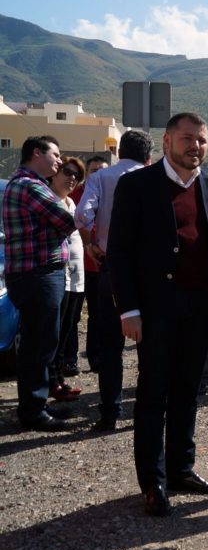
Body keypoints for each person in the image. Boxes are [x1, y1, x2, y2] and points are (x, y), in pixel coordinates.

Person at [107, 113, 208, 517]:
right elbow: (120, 254)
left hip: (196, 309)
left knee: (187, 392)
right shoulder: (136, 184)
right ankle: (153, 482)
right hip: (154, 309)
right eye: (188, 139)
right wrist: (129, 310)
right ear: (167, 141)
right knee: (153, 394)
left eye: (202, 140)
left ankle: (182, 470)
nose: (196, 147)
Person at [76, 131, 152, 432]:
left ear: (119, 152)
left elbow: (82, 214)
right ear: (148, 156)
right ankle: (146, 409)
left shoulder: (101, 177)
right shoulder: (154, 177)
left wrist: (91, 243)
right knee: (151, 345)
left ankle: (110, 412)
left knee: (110, 346)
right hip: (150, 273)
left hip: (111, 267)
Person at [2, 136, 77, 431]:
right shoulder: (30, 186)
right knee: (39, 343)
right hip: (39, 274)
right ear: (37, 153)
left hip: (34, 273)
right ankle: (33, 411)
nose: (59, 162)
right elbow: (67, 220)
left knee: (40, 341)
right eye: (55, 155)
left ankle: (36, 404)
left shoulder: (24, 184)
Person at [49, 157, 88, 400]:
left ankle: (59, 379)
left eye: (77, 175)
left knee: (68, 328)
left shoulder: (71, 203)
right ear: (55, 173)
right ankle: (51, 382)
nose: (71, 178)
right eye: (67, 172)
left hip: (77, 277)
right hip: (58, 277)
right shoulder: (48, 201)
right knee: (55, 331)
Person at [76, 155, 109, 372]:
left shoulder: (110, 192)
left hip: (103, 264)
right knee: (76, 315)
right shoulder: (76, 194)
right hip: (81, 265)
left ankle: (98, 356)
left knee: (100, 313)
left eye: (101, 170)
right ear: (87, 174)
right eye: (94, 170)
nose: (97, 174)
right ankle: (71, 359)